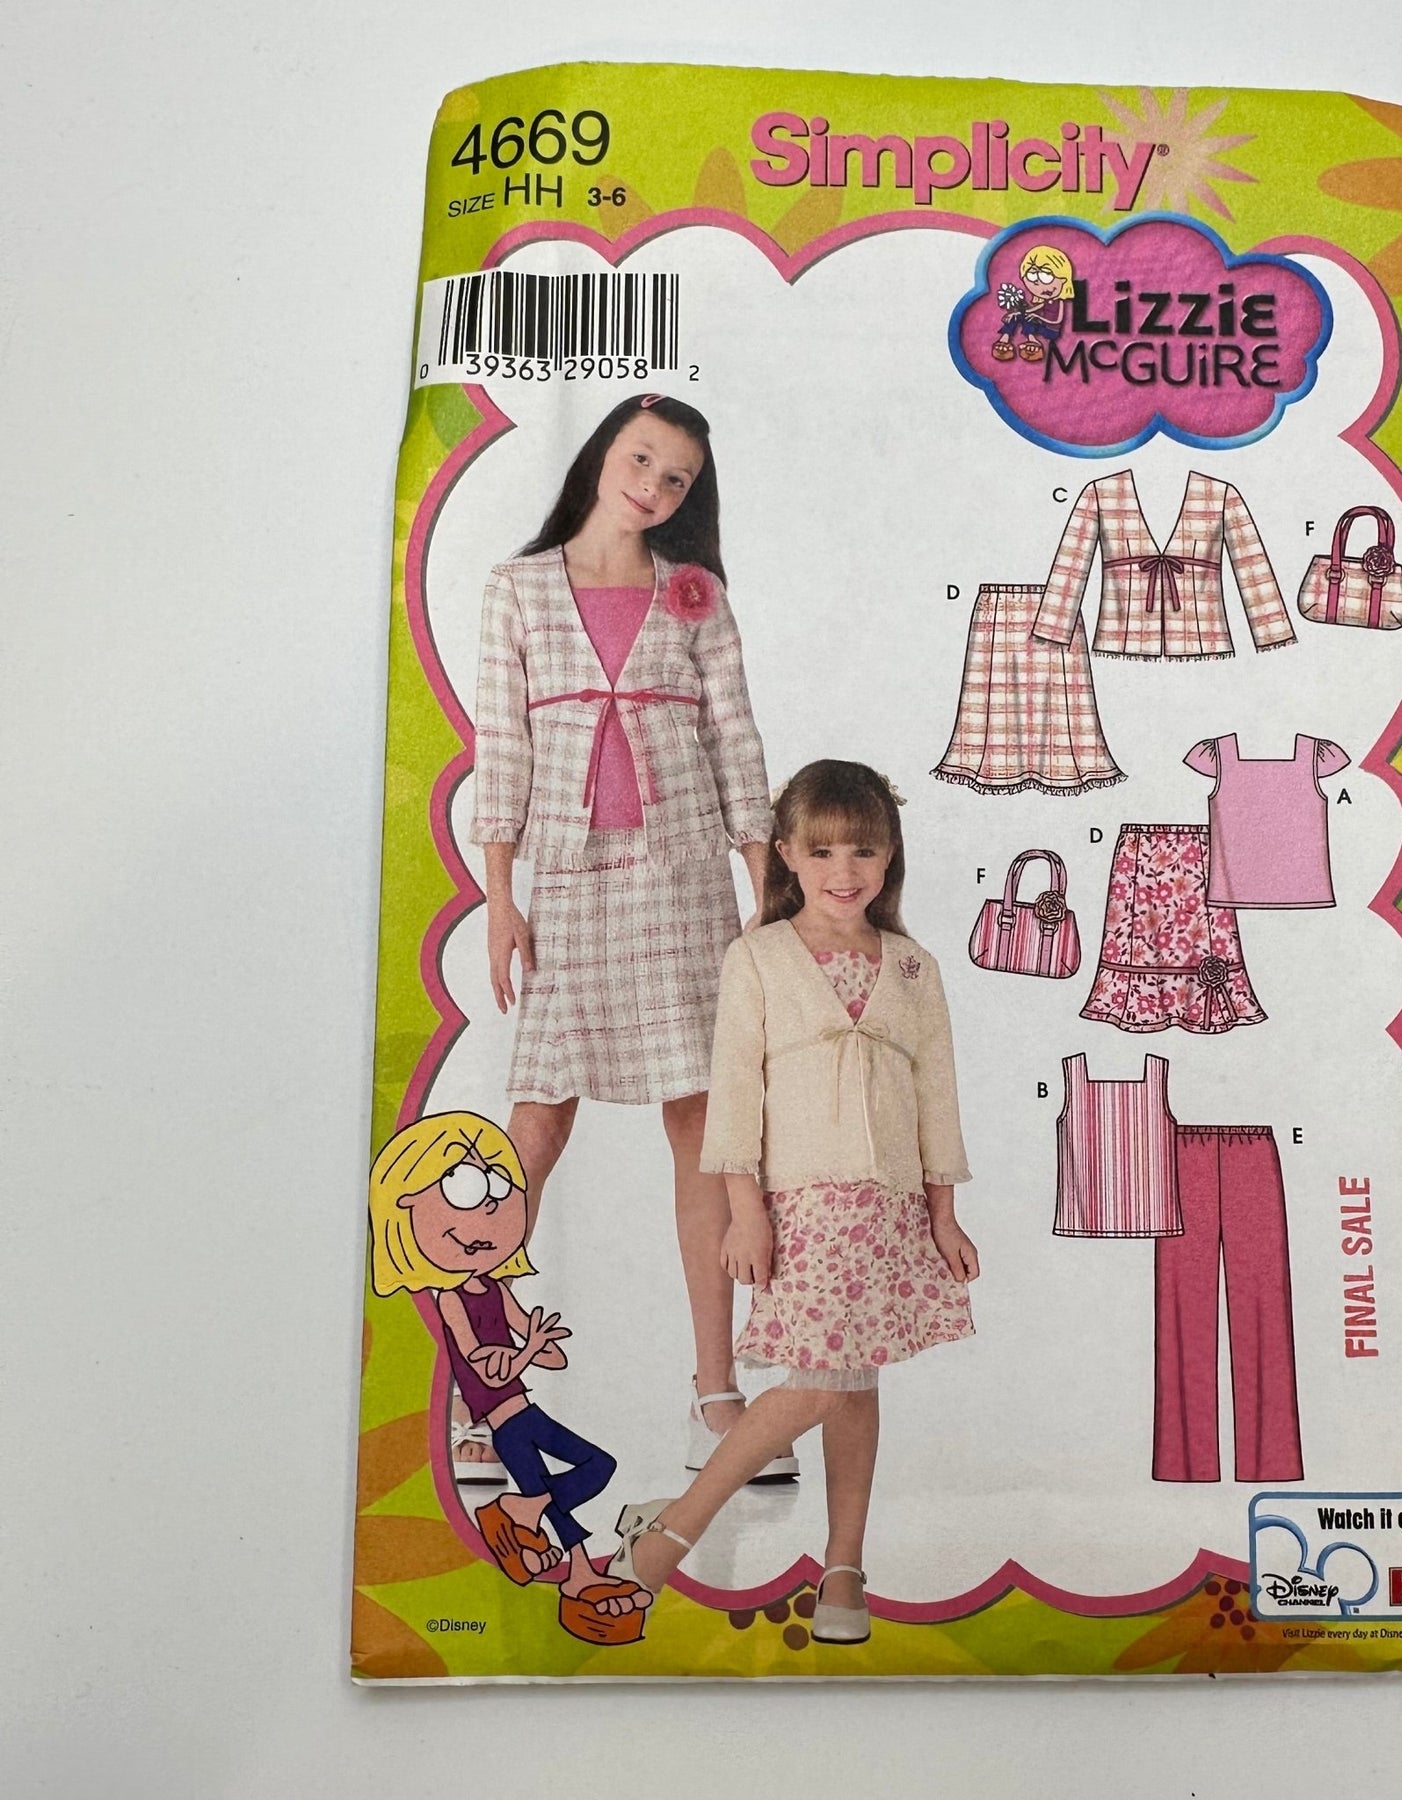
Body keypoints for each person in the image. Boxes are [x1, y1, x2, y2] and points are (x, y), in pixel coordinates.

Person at [470, 392, 791, 1481]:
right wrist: (500, 896)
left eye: (675, 479)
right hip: (565, 883)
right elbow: (501, 748)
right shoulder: (517, 588)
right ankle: (486, 1388)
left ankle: (716, 1390)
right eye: (641, 459)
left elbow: (736, 739)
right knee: (536, 1122)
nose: (651, 486)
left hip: (683, 880)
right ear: (605, 450)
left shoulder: (694, 592)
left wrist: (766, 892)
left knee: (705, 1129)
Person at [600, 761, 981, 1645]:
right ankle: (674, 1532)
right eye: (822, 852)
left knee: (854, 1379)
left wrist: (943, 1215)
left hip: (890, 1207)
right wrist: (746, 1211)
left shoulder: (913, 968)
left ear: (890, 858)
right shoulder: (760, 958)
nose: (844, 871)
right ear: (786, 856)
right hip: (802, 1205)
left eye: (864, 852)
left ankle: (843, 1567)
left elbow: (938, 1099)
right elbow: (734, 1096)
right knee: (820, 1380)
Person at [368, 1113, 652, 1644]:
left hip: (525, 1412)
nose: (489, 1208)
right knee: (578, 1479)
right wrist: (529, 1352)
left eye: (499, 1188)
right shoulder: (450, 1298)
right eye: (464, 1187)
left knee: (597, 1466)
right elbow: (485, 1365)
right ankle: (572, 1569)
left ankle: (531, 1523)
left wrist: (544, 1348)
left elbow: (540, 1351)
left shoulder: (499, 1289)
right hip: (504, 1423)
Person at [993, 243, 1073, 362]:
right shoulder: (1045, 301)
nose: (1038, 283)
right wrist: (1016, 313)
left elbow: (1057, 321)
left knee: (1030, 319)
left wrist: (1038, 317)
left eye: (1046, 277)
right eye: (1032, 277)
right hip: (1041, 326)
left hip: (1051, 331)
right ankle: (1005, 339)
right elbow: (1032, 310)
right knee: (1024, 316)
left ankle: (1034, 343)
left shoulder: (1059, 302)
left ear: (1063, 279)